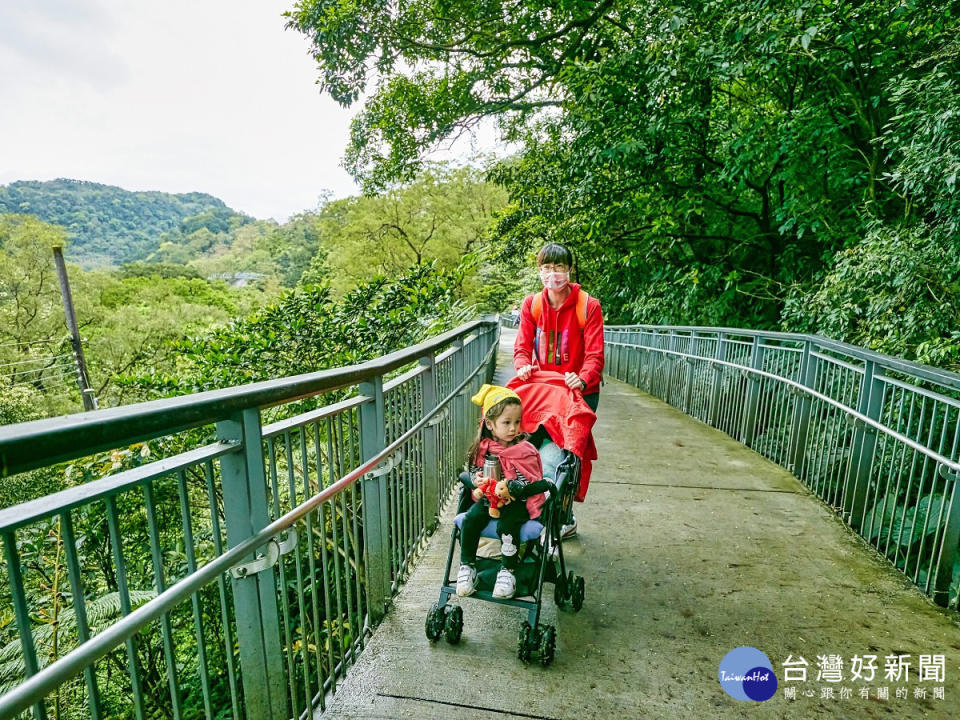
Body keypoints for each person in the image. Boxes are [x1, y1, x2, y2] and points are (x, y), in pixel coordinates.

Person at [514, 242, 604, 538]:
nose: (552, 274)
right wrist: (524, 364)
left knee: (568, 453)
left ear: (569, 270)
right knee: (532, 441)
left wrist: (583, 376)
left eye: (558, 268)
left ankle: (563, 515)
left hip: (578, 390)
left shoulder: (587, 306)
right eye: (546, 268)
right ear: (539, 271)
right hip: (545, 389)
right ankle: (529, 506)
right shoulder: (533, 305)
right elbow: (522, 346)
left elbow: (595, 354)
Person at [457, 384, 547, 600]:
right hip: (489, 500)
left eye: (517, 422)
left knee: (508, 525)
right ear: (490, 424)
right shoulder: (484, 448)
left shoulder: (525, 450)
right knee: (470, 519)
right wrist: (478, 479)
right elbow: (475, 469)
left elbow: (532, 478)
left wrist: (515, 486)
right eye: (506, 423)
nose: (513, 428)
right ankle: (467, 566)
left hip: (516, 503)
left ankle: (508, 571)